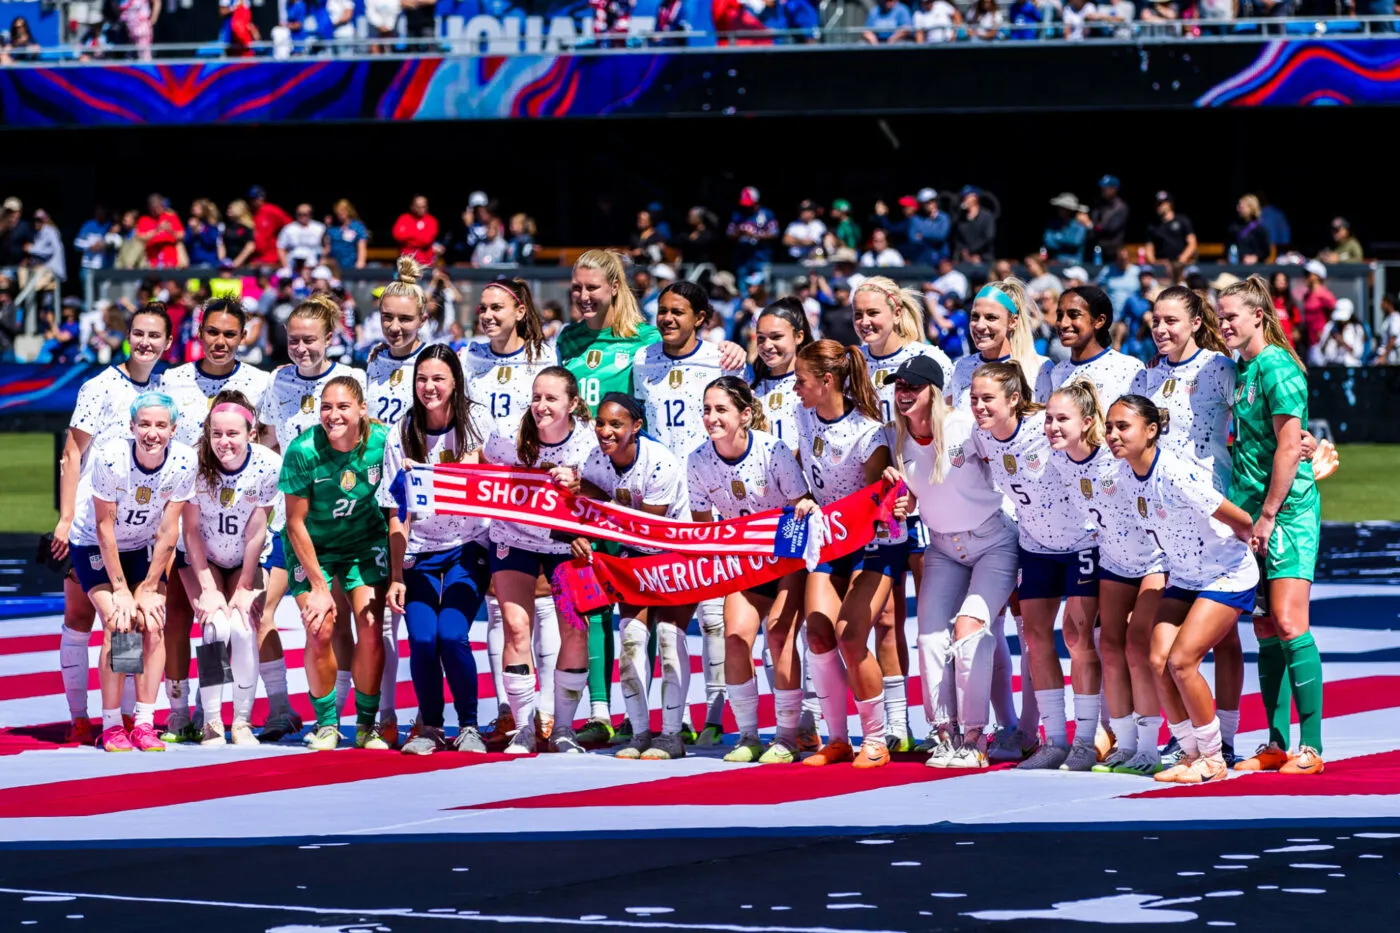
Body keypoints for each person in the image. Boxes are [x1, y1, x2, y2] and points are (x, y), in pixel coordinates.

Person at [1106, 395, 1259, 784]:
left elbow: (1233, 514)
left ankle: (1213, 756)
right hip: (1186, 576)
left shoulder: (1174, 472)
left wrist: (1254, 535)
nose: (1112, 435)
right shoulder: (1125, 475)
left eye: (1122, 426)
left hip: (1226, 572)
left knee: (1181, 661)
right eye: (1109, 427)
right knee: (1156, 659)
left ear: (1151, 430)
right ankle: (1190, 752)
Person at [885, 356, 1017, 769]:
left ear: (934, 392)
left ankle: (976, 739)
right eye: (898, 386)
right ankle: (946, 734)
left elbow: (1009, 474)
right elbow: (909, 495)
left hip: (994, 542)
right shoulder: (895, 437)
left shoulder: (967, 427)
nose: (903, 393)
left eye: (912, 386)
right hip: (942, 548)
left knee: (970, 631)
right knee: (928, 638)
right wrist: (903, 501)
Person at [1130, 285, 1243, 765]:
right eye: (1156, 320)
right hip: (1166, 524)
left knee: (1226, 640)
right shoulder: (1146, 377)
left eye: (1172, 321)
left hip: (1216, 517)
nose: (1161, 329)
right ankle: (1188, 738)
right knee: (1163, 646)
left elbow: (1255, 421)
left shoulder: (1219, 368)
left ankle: (1228, 736)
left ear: (1197, 322)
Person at [1217, 276, 1325, 776]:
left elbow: (1288, 445)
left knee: (1287, 622)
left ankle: (1313, 747)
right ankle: (1276, 742)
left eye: (1231, 315)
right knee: (1263, 628)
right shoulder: (1245, 368)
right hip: (1252, 513)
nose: (1224, 324)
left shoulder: (1278, 367)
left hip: (1287, 511)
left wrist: (1267, 514)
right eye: (1219, 316)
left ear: (1258, 315)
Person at [52, 305, 173, 745]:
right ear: (127, 336)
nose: (145, 342)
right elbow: (71, 454)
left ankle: (125, 719)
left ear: (167, 343)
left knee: (129, 624)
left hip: (139, 529)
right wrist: (64, 519)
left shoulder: (168, 386)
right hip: (91, 522)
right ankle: (82, 716)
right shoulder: (100, 386)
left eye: (154, 335)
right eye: (138, 333)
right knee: (80, 617)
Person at [632, 281, 746, 745]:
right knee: (668, 611)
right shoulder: (643, 361)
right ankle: (666, 717)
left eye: (678, 311)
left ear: (701, 317)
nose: (667, 319)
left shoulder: (721, 356)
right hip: (660, 498)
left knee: (714, 613)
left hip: (710, 493)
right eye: (662, 311)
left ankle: (716, 712)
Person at [969, 362, 1096, 770]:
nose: (979, 407)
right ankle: (1054, 740)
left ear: (1013, 400)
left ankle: (1088, 738)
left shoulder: (1044, 430)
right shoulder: (979, 435)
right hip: (1035, 544)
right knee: (1035, 640)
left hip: (1082, 542)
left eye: (987, 398)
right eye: (974, 398)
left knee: (1078, 639)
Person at [157, 298, 273, 741]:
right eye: (212, 332)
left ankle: (258, 711)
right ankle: (173, 710)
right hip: (185, 518)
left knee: (245, 622)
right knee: (171, 620)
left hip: (242, 515)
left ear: (243, 336)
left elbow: (267, 449)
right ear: (198, 332)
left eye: (230, 333)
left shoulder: (261, 383)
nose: (220, 341)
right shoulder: (174, 379)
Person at [256, 295, 367, 741]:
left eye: (310, 341)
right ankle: (282, 709)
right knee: (262, 612)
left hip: (340, 519)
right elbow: (267, 445)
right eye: (294, 340)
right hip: (289, 520)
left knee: (337, 616)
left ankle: (336, 715)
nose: (301, 348)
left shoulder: (351, 380)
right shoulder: (277, 381)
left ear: (330, 339)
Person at [685, 378, 812, 763]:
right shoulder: (697, 460)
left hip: (787, 557)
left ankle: (788, 736)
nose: (711, 418)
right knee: (736, 637)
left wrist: (780, 558)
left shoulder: (771, 450)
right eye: (707, 409)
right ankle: (749, 736)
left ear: (745, 415)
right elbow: (703, 526)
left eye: (721, 409)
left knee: (778, 634)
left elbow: (800, 505)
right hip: (744, 563)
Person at [1045, 380, 1166, 775]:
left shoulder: (1113, 459)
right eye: (1048, 419)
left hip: (1153, 561)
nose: (1051, 427)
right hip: (1112, 563)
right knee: (1108, 648)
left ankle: (1150, 747)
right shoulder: (1058, 458)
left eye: (1062, 419)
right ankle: (1124, 744)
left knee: (1137, 647)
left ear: (1086, 422)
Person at [851, 277, 952, 750]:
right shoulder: (852, 361)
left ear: (895, 309)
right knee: (887, 621)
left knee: (934, 622)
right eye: (857, 314)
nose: (865, 322)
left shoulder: (929, 357)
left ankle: (944, 723)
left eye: (873, 313)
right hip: (877, 506)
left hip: (925, 504)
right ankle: (898, 726)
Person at [380, 347, 496, 755]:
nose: (429, 387)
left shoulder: (477, 422)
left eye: (439, 379)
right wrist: (396, 576)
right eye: (422, 379)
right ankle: (430, 727)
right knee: (424, 638)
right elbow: (397, 510)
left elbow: (503, 478)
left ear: (455, 383)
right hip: (420, 552)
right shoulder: (403, 430)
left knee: (452, 634)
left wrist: (476, 463)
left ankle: (469, 727)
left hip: (469, 546)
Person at [793, 340, 903, 769]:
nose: (795, 388)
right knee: (817, 633)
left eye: (802, 380)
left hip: (874, 545)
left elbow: (879, 501)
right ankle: (837, 738)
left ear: (826, 381)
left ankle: (875, 739)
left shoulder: (867, 431)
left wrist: (890, 496)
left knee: (850, 636)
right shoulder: (802, 414)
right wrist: (803, 499)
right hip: (829, 542)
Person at [568, 393, 694, 760]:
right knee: (632, 641)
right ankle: (639, 733)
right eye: (601, 423)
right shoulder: (595, 459)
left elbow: (646, 528)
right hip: (633, 559)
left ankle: (672, 735)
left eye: (616, 425)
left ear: (636, 427)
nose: (605, 431)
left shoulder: (661, 463)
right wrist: (580, 531)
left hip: (675, 555)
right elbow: (585, 508)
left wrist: (595, 506)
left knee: (669, 641)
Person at [481, 367, 597, 754]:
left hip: (565, 544)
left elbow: (606, 494)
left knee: (575, 630)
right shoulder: (508, 438)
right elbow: (480, 462)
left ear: (573, 404)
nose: (541, 406)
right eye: (536, 397)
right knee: (515, 626)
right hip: (513, 537)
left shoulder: (589, 443)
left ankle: (562, 727)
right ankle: (525, 727)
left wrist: (582, 483)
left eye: (551, 399)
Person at [75, 392, 195, 751]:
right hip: (95, 547)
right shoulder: (112, 458)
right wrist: (122, 590)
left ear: (173, 429)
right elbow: (104, 528)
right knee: (119, 623)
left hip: (141, 547)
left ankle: (143, 722)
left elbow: (168, 530)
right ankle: (111, 724)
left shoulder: (184, 460)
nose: (152, 432)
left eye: (160, 425)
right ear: (132, 427)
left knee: (154, 624)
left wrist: (149, 585)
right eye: (144, 424)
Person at [279, 375, 390, 751]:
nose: (333, 414)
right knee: (319, 628)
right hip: (314, 547)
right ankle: (327, 723)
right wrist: (320, 587)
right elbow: (294, 522)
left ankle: (366, 725)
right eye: (326, 406)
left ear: (362, 409)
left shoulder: (383, 441)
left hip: (364, 541)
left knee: (372, 628)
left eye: (343, 406)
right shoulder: (302, 450)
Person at [177, 390, 278, 746]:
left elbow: (256, 529)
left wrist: (244, 584)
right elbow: (189, 530)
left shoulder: (267, 464)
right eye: (216, 434)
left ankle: (242, 721)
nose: (224, 442)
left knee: (243, 627)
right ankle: (210, 721)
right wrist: (207, 587)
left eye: (233, 433)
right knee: (213, 628)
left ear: (251, 433)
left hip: (244, 557)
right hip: (201, 556)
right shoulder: (193, 464)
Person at [947, 279, 1053, 410]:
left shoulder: (1040, 368)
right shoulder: (960, 368)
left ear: (1012, 322)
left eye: (991, 317)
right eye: (975, 317)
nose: (979, 325)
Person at [1037, 285, 1145, 408]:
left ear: (1099, 321)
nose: (1063, 323)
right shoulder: (1057, 372)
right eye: (1060, 315)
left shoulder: (1129, 368)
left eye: (1074, 315)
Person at [752, 297, 814, 453]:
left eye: (776, 337)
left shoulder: (815, 383)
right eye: (761, 338)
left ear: (799, 336)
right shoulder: (751, 385)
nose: (767, 345)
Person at [1228, 195, 1271, 265]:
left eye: (1242, 207)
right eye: (1238, 206)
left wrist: (1255, 257)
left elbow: (1266, 251)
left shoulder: (1260, 228)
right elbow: (1228, 247)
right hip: (1236, 266)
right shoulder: (1233, 227)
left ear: (1251, 208)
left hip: (1255, 267)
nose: (1238, 209)